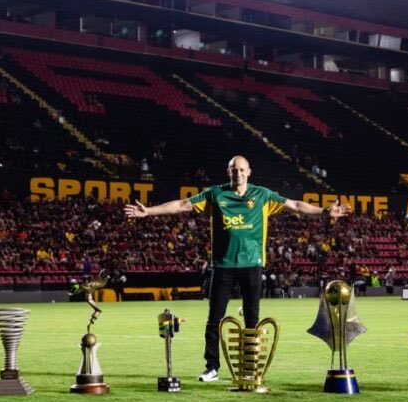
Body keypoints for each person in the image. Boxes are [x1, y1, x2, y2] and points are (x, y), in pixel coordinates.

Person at [125, 155, 351, 383]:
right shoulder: (215, 194)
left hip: (252, 265)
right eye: (235, 170)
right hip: (223, 266)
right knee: (215, 319)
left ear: (249, 172)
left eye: (242, 170)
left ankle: (250, 367)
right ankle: (211, 367)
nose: (238, 173)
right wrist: (150, 211)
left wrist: (324, 212)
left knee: (252, 319)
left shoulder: (262, 195)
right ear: (229, 172)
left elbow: (295, 205)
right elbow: (182, 205)